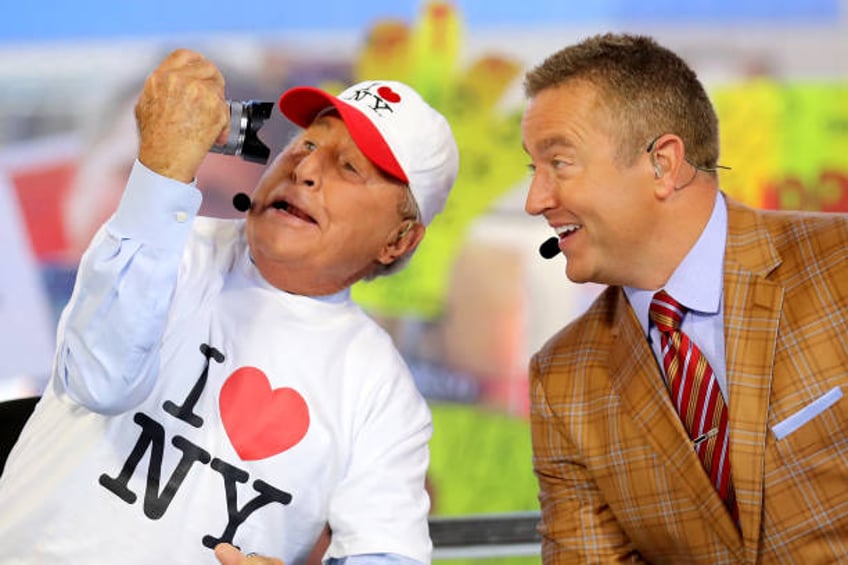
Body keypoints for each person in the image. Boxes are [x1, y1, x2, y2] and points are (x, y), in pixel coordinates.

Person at [0, 48, 459, 564]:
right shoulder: (167, 248)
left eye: (348, 168)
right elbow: (100, 380)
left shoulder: (380, 391)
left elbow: (387, 554)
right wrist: (161, 171)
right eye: (304, 144)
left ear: (398, 240)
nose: (304, 169)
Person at [522, 32, 848, 563]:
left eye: (559, 163)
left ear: (663, 164)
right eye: (531, 169)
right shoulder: (562, 380)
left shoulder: (839, 266)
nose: (536, 199)